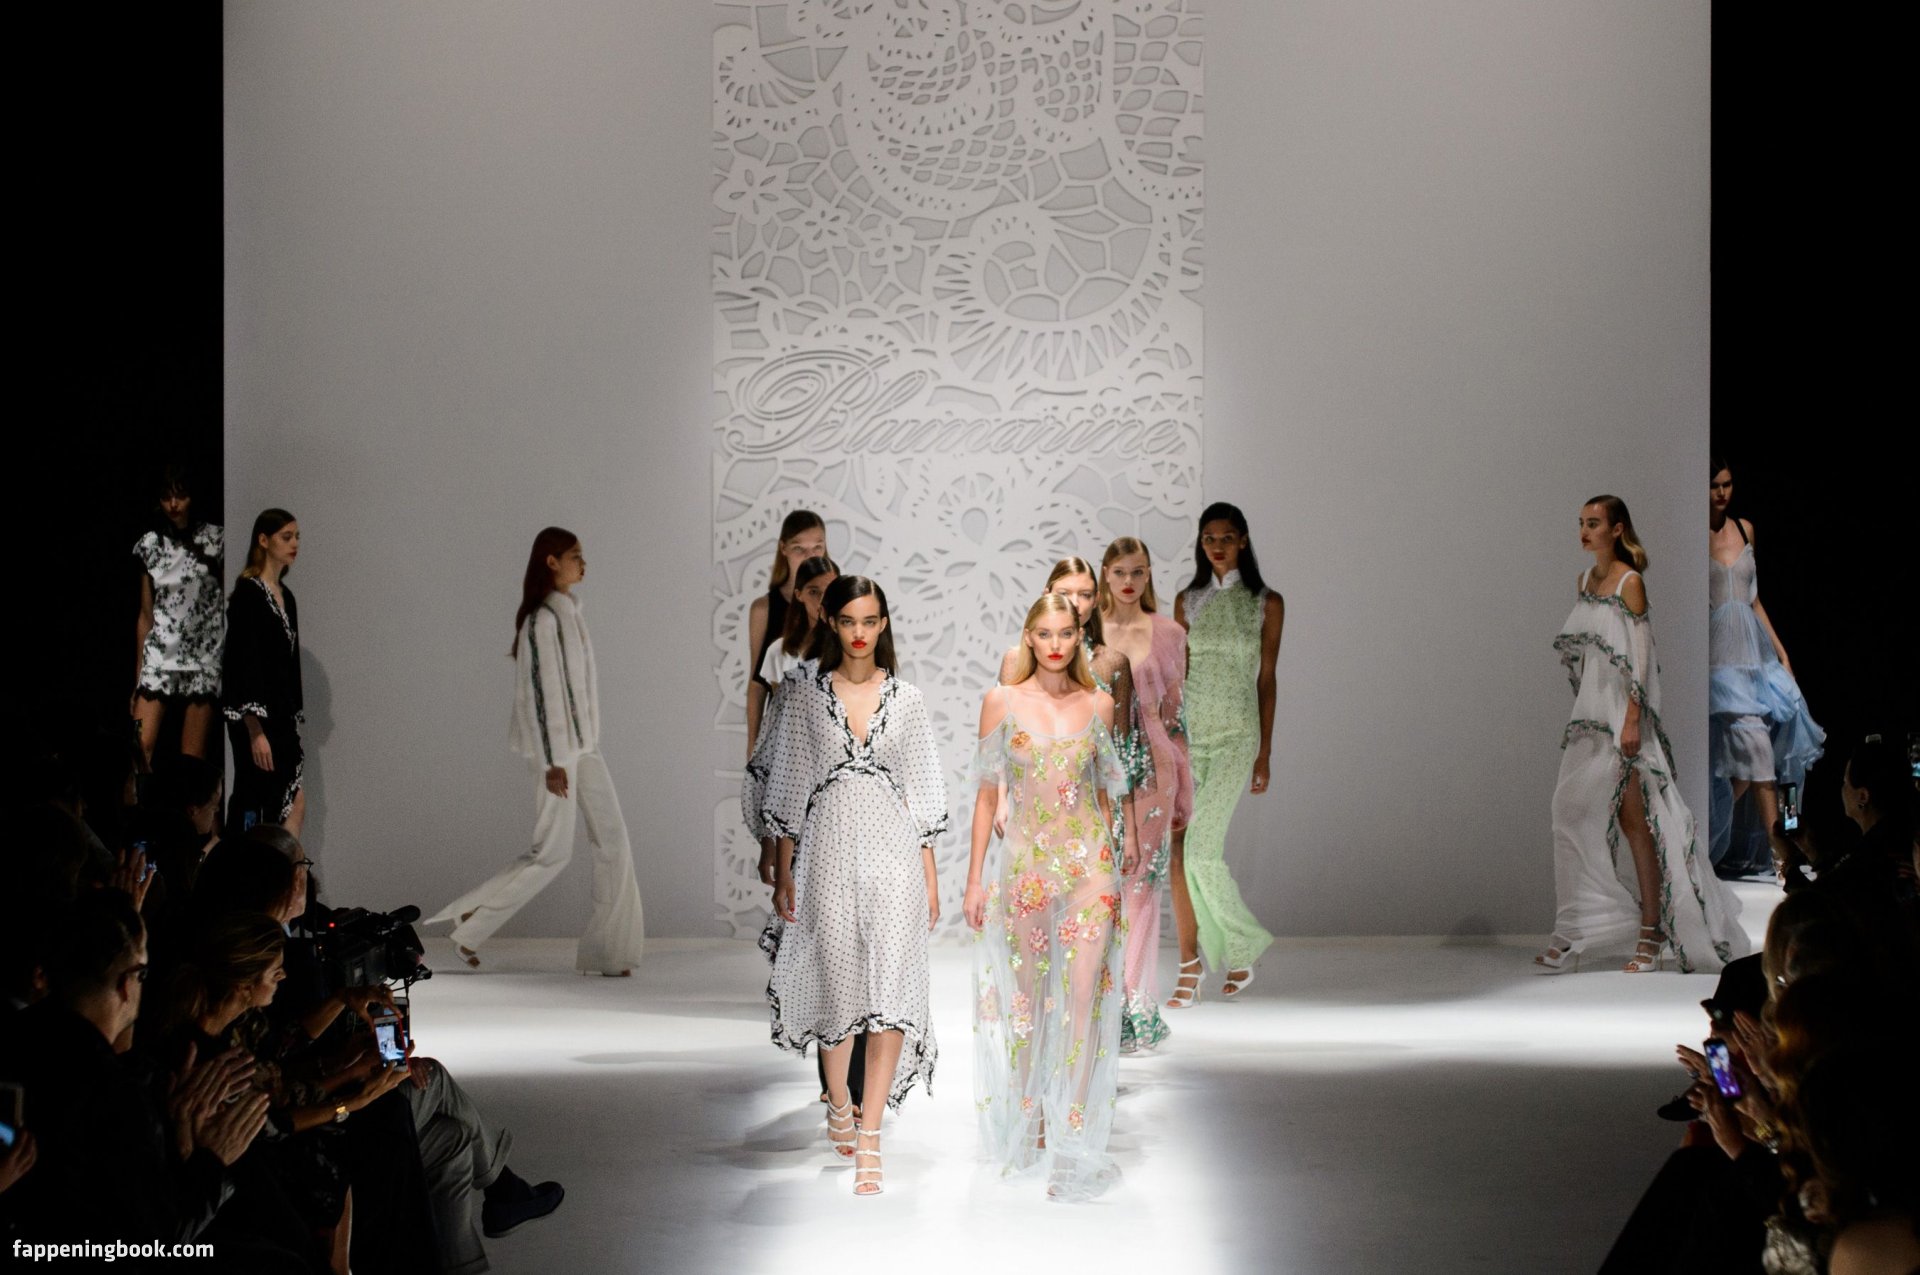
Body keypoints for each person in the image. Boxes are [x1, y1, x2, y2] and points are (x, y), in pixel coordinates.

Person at [761, 576, 945, 1196]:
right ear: (831, 624)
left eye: (870, 620)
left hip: (895, 859)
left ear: (884, 623)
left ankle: (870, 1137)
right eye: (848, 621)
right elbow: (789, 782)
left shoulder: (908, 699)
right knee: (839, 994)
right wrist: (784, 868)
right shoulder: (806, 696)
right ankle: (838, 1098)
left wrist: (930, 877)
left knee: (890, 993)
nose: (860, 632)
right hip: (829, 858)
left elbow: (923, 791)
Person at [965, 594, 1134, 1201]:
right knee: (1029, 1003)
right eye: (1045, 633)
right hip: (1027, 870)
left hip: (1090, 869)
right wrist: (975, 879)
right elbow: (988, 795)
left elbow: (1106, 794)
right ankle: (1031, 1118)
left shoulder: (1100, 704)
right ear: (1029, 638)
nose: (1056, 644)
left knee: (1083, 999)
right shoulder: (1002, 702)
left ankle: (1073, 1141)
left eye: (1066, 633)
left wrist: (1118, 860)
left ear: (1079, 635)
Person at [0, 890, 274, 1254]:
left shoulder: (14, 1037)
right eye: (143, 973)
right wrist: (212, 1159)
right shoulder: (113, 1093)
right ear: (127, 983)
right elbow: (153, 1243)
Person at [1541, 494, 1748, 974]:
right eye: (1581, 523)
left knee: (1636, 823)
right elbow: (1589, 656)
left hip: (1623, 721)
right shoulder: (1585, 581)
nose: (1584, 531)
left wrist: (1632, 720)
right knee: (1567, 813)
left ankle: (1651, 932)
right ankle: (1578, 928)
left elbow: (1641, 658)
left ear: (1617, 530)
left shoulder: (1630, 582)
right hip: (1591, 719)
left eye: (1594, 523)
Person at [429, 528, 645, 976]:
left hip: (585, 748)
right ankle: (471, 922)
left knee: (614, 841)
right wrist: (552, 761)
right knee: (552, 853)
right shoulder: (541, 621)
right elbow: (539, 696)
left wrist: (576, 747)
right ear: (551, 561)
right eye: (575, 556)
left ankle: (609, 952)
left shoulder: (570, 614)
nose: (583, 564)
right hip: (558, 755)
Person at [741, 553, 868, 1109]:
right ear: (799, 596)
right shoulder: (787, 663)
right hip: (809, 829)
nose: (822, 600)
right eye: (813, 591)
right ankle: (836, 1084)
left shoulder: (868, 666)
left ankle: (853, 1087)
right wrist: (773, 845)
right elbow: (778, 758)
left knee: (861, 952)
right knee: (825, 953)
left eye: (829, 591)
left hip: (861, 826)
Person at [1169, 503, 1282, 1002]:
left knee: (1200, 851)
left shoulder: (1266, 602)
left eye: (1227, 537)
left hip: (1237, 736)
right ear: (1201, 543)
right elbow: (1178, 676)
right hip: (1192, 737)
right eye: (1209, 538)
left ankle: (1244, 943)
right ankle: (1232, 950)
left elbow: (1267, 679)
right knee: (1190, 855)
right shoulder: (1187, 601)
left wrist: (1264, 754)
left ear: (1243, 540)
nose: (1217, 546)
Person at [1707, 459, 1824, 875]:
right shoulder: (1693, 534)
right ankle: (1782, 855)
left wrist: (1782, 652)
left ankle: (1709, 832)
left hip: (1755, 655)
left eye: (1728, 484)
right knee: (1754, 754)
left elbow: (1754, 599)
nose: (1722, 493)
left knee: (1757, 757)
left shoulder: (1745, 529)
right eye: (1714, 485)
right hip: (1720, 659)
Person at [1098, 537, 1190, 1050]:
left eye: (1138, 571)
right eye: (1119, 572)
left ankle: (1133, 1010)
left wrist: (1185, 787)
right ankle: (1101, 1004)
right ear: (1105, 574)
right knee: (1102, 888)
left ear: (1149, 574)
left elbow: (1176, 717)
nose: (1129, 581)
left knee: (1141, 890)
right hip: (1097, 769)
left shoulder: (1170, 633)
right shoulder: (1090, 630)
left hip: (1154, 767)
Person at [131, 461, 224, 762]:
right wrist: (138, 677)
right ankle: (135, 795)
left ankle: (193, 797)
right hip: (159, 655)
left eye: (180, 495)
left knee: (191, 760)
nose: (173, 504)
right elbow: (145, 614)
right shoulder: (150, 544)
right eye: (166, 496)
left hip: (202, 657)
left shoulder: (216, 541)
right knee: (138, 748)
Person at [223, 508, 307, 836]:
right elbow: (240, 661)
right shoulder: (248, 594)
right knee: (256, 801)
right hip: (255, 721)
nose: (294, 543)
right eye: (286, 537)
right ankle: (245, 863)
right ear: (263, 540)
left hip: (281, 718)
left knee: (292, 802)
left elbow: (287, 665)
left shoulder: (287, 597)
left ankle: (279, 867)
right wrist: (254, 729)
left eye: (296, 537)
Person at [744, 510, 830, 762]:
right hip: (785, 736)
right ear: (784, 549)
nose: (809, 556)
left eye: (817, 547)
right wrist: (753, 745)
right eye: (799, 548)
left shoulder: (839, 604)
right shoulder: (764, 609)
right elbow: (757, 683)